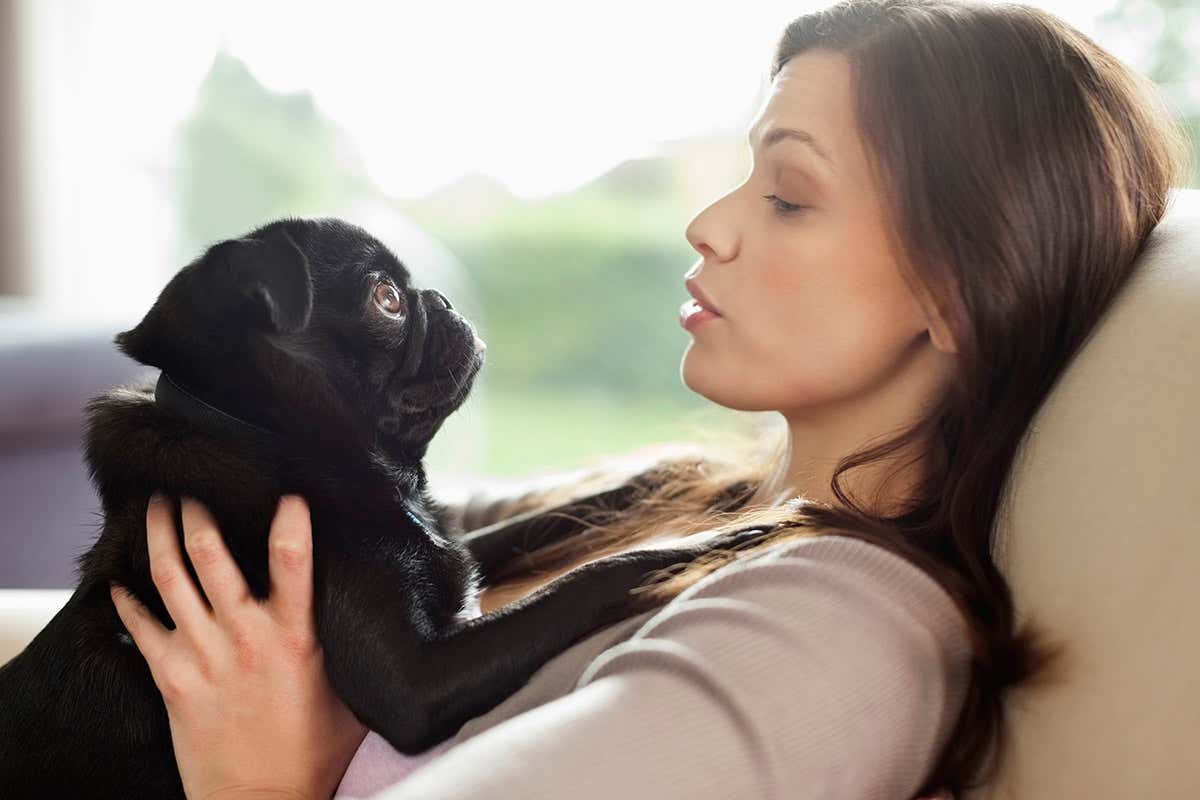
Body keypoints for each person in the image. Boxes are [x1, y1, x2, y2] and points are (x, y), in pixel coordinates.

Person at [109, 0, 1191, 798]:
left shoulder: (834, 631)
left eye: (789, 196)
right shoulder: (685, 493)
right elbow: (351, 526)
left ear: (959, 289)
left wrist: (264, 784)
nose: (708, 225)